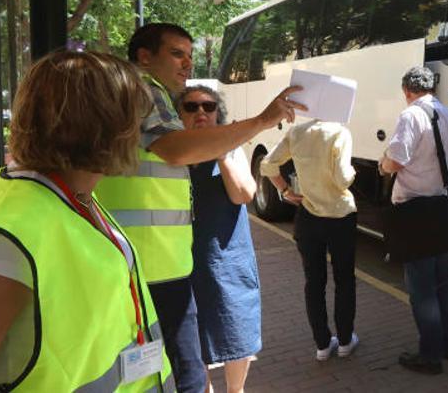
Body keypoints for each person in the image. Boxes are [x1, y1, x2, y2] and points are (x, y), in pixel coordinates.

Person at [0, 51, 172, 391]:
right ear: (108, 128)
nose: (140, 132)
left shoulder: (69, 196)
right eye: (136, 119)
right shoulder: (6, 241)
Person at [94, 23, 305, 392]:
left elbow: (241, 191)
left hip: (148, 260)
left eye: (190, 55)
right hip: (153, 262)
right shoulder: (144, 90)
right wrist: (261, 121)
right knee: (185, 372)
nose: (187, 63)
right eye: (177, 53)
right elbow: (174, 149)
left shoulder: (128, 94)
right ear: (144, 57)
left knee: (165, 367)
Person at [380, 66, 448, 375]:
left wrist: (383, 165)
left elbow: (396, 160)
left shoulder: (410, 116)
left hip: (417, 213)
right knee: (444, 280)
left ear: (407, 91)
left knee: (422, 288)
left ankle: (430, 356)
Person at [177, 86, 261, 393]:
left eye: (208, 107)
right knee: (192, 329)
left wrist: (221, 150)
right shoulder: (174, 152)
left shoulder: (231, 147)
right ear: (179, 114)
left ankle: (235, 390)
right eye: (191, 107)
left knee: (235, 324)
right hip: (183, 255)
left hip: (227, 254)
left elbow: (244, 194)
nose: (201, 112)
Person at [260, 118, 359, 362]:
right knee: (344, 279)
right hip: (340, 216)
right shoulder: (340, 132)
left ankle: (322, 345)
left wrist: (285, 191)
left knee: (314, 282)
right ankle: (345, 341)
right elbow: (343, 178)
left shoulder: (297, 132)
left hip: (308, 215)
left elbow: (268, 165)